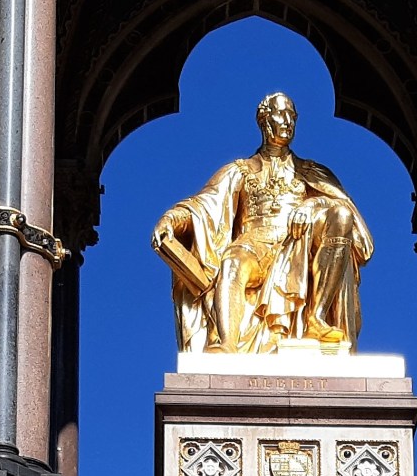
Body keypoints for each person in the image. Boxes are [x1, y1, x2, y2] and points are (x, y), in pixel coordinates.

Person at [151, 93, 374, 354]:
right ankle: (226, 344)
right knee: (232, 263)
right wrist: (171, 219)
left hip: (296, 244)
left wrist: (312, 204)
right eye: (281, 114)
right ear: (264, 120)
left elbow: (348, 217)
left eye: (293, 115)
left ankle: (318, 317)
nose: (288, 121)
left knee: (340, 216)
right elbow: (203, 205)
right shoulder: (240, 170)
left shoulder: (313, 172)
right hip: (252, 244)